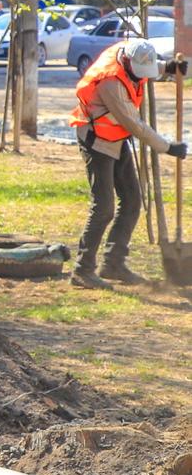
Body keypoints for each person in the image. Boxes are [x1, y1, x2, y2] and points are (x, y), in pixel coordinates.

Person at [69, 39, 188, 289]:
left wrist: (167, 67)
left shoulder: (132, 55)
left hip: (114, 137)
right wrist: (167, 147)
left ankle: (113, 264)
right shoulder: (111, 82)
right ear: (127, 62)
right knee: (103, 208)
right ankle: (82, 270)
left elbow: (143, 69)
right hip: (96, 140)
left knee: (133, 200)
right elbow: (135, 125)